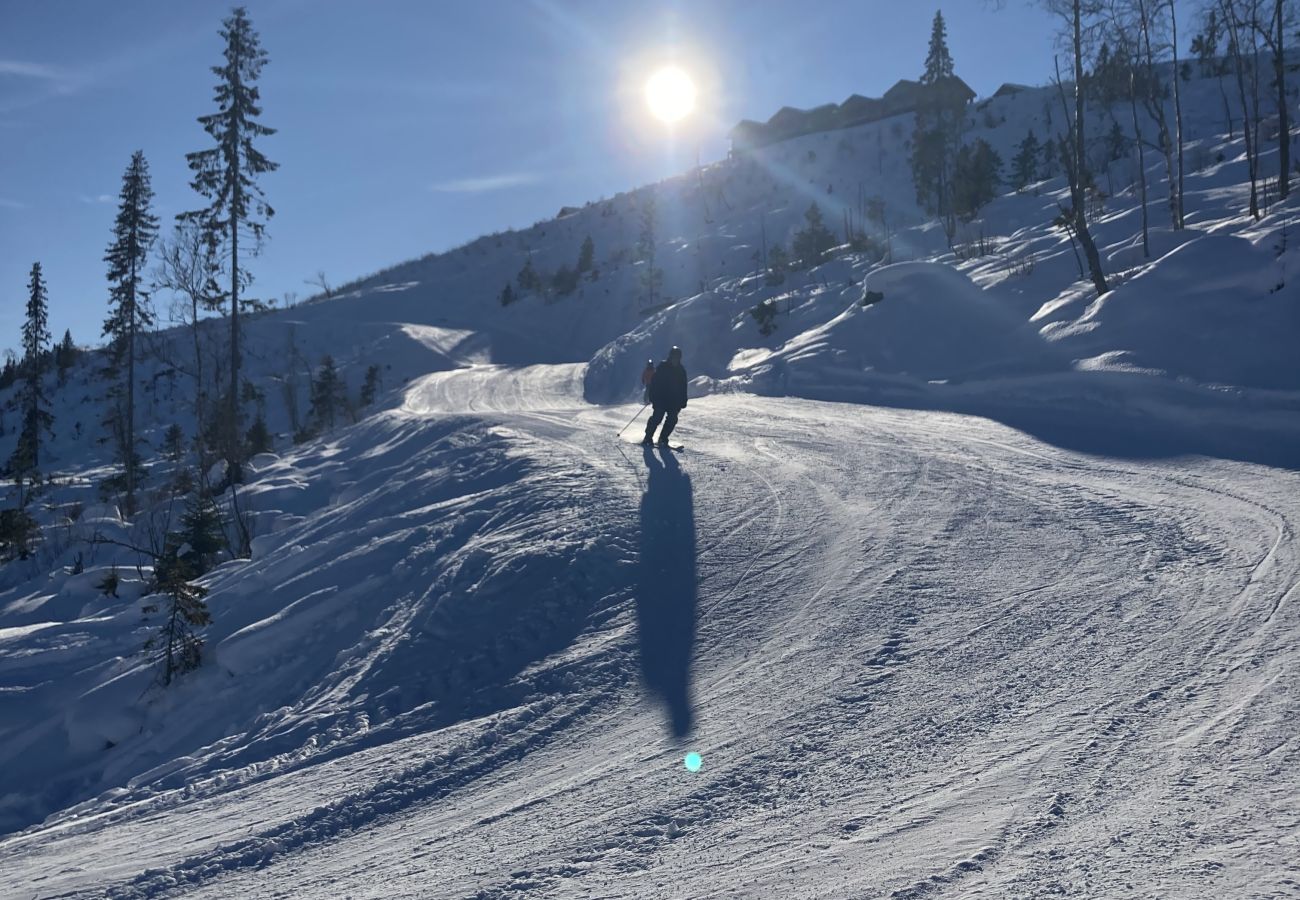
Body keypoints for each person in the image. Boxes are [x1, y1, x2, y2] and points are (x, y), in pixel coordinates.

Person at [642, 346, 688, 446]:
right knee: (657, 417)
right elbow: (654, 383)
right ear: (670, 357)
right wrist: (653, 397)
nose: (675, 360)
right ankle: (648, 437)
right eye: (674, 357)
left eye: (677, 358)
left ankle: (663, 438)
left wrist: (683, 400)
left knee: (672, 419)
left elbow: (683, 386)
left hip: (674, 401)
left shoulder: (681, 371)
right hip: (661, 399)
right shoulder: (663, 367)